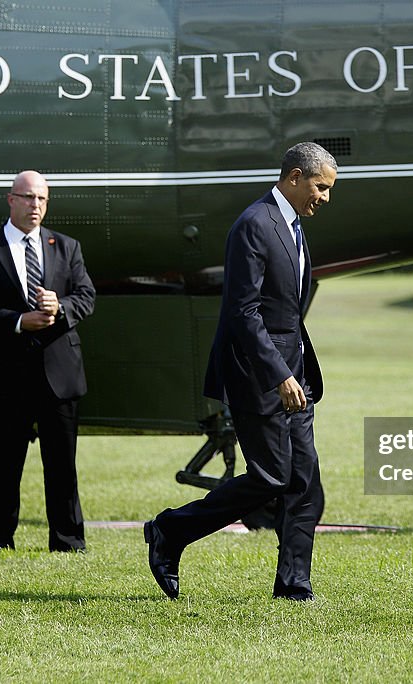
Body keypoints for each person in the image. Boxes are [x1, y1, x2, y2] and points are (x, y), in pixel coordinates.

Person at [144, 142, 337, 600]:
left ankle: (294, 585)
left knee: (305, 481)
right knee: (272, 477)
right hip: (258, 375)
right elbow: (242, 312)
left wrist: (297, 372)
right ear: (294, 177)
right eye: (320, 187)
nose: (325, 197)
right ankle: (170, 531)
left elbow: (288, 307)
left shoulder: (292, 224)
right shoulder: (254, 224)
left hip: (296, 375)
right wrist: (278, 374)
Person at [0, 170, 95, 552]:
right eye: (29, 198)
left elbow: (86, 296)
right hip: (3, 376)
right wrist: (19, 321)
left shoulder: (66, 247)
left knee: (62, 465)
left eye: (42, 199)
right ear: (11, 199)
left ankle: (68, 543)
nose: (36, 206)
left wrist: (60, 306)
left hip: (59, 375)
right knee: (3, 464)